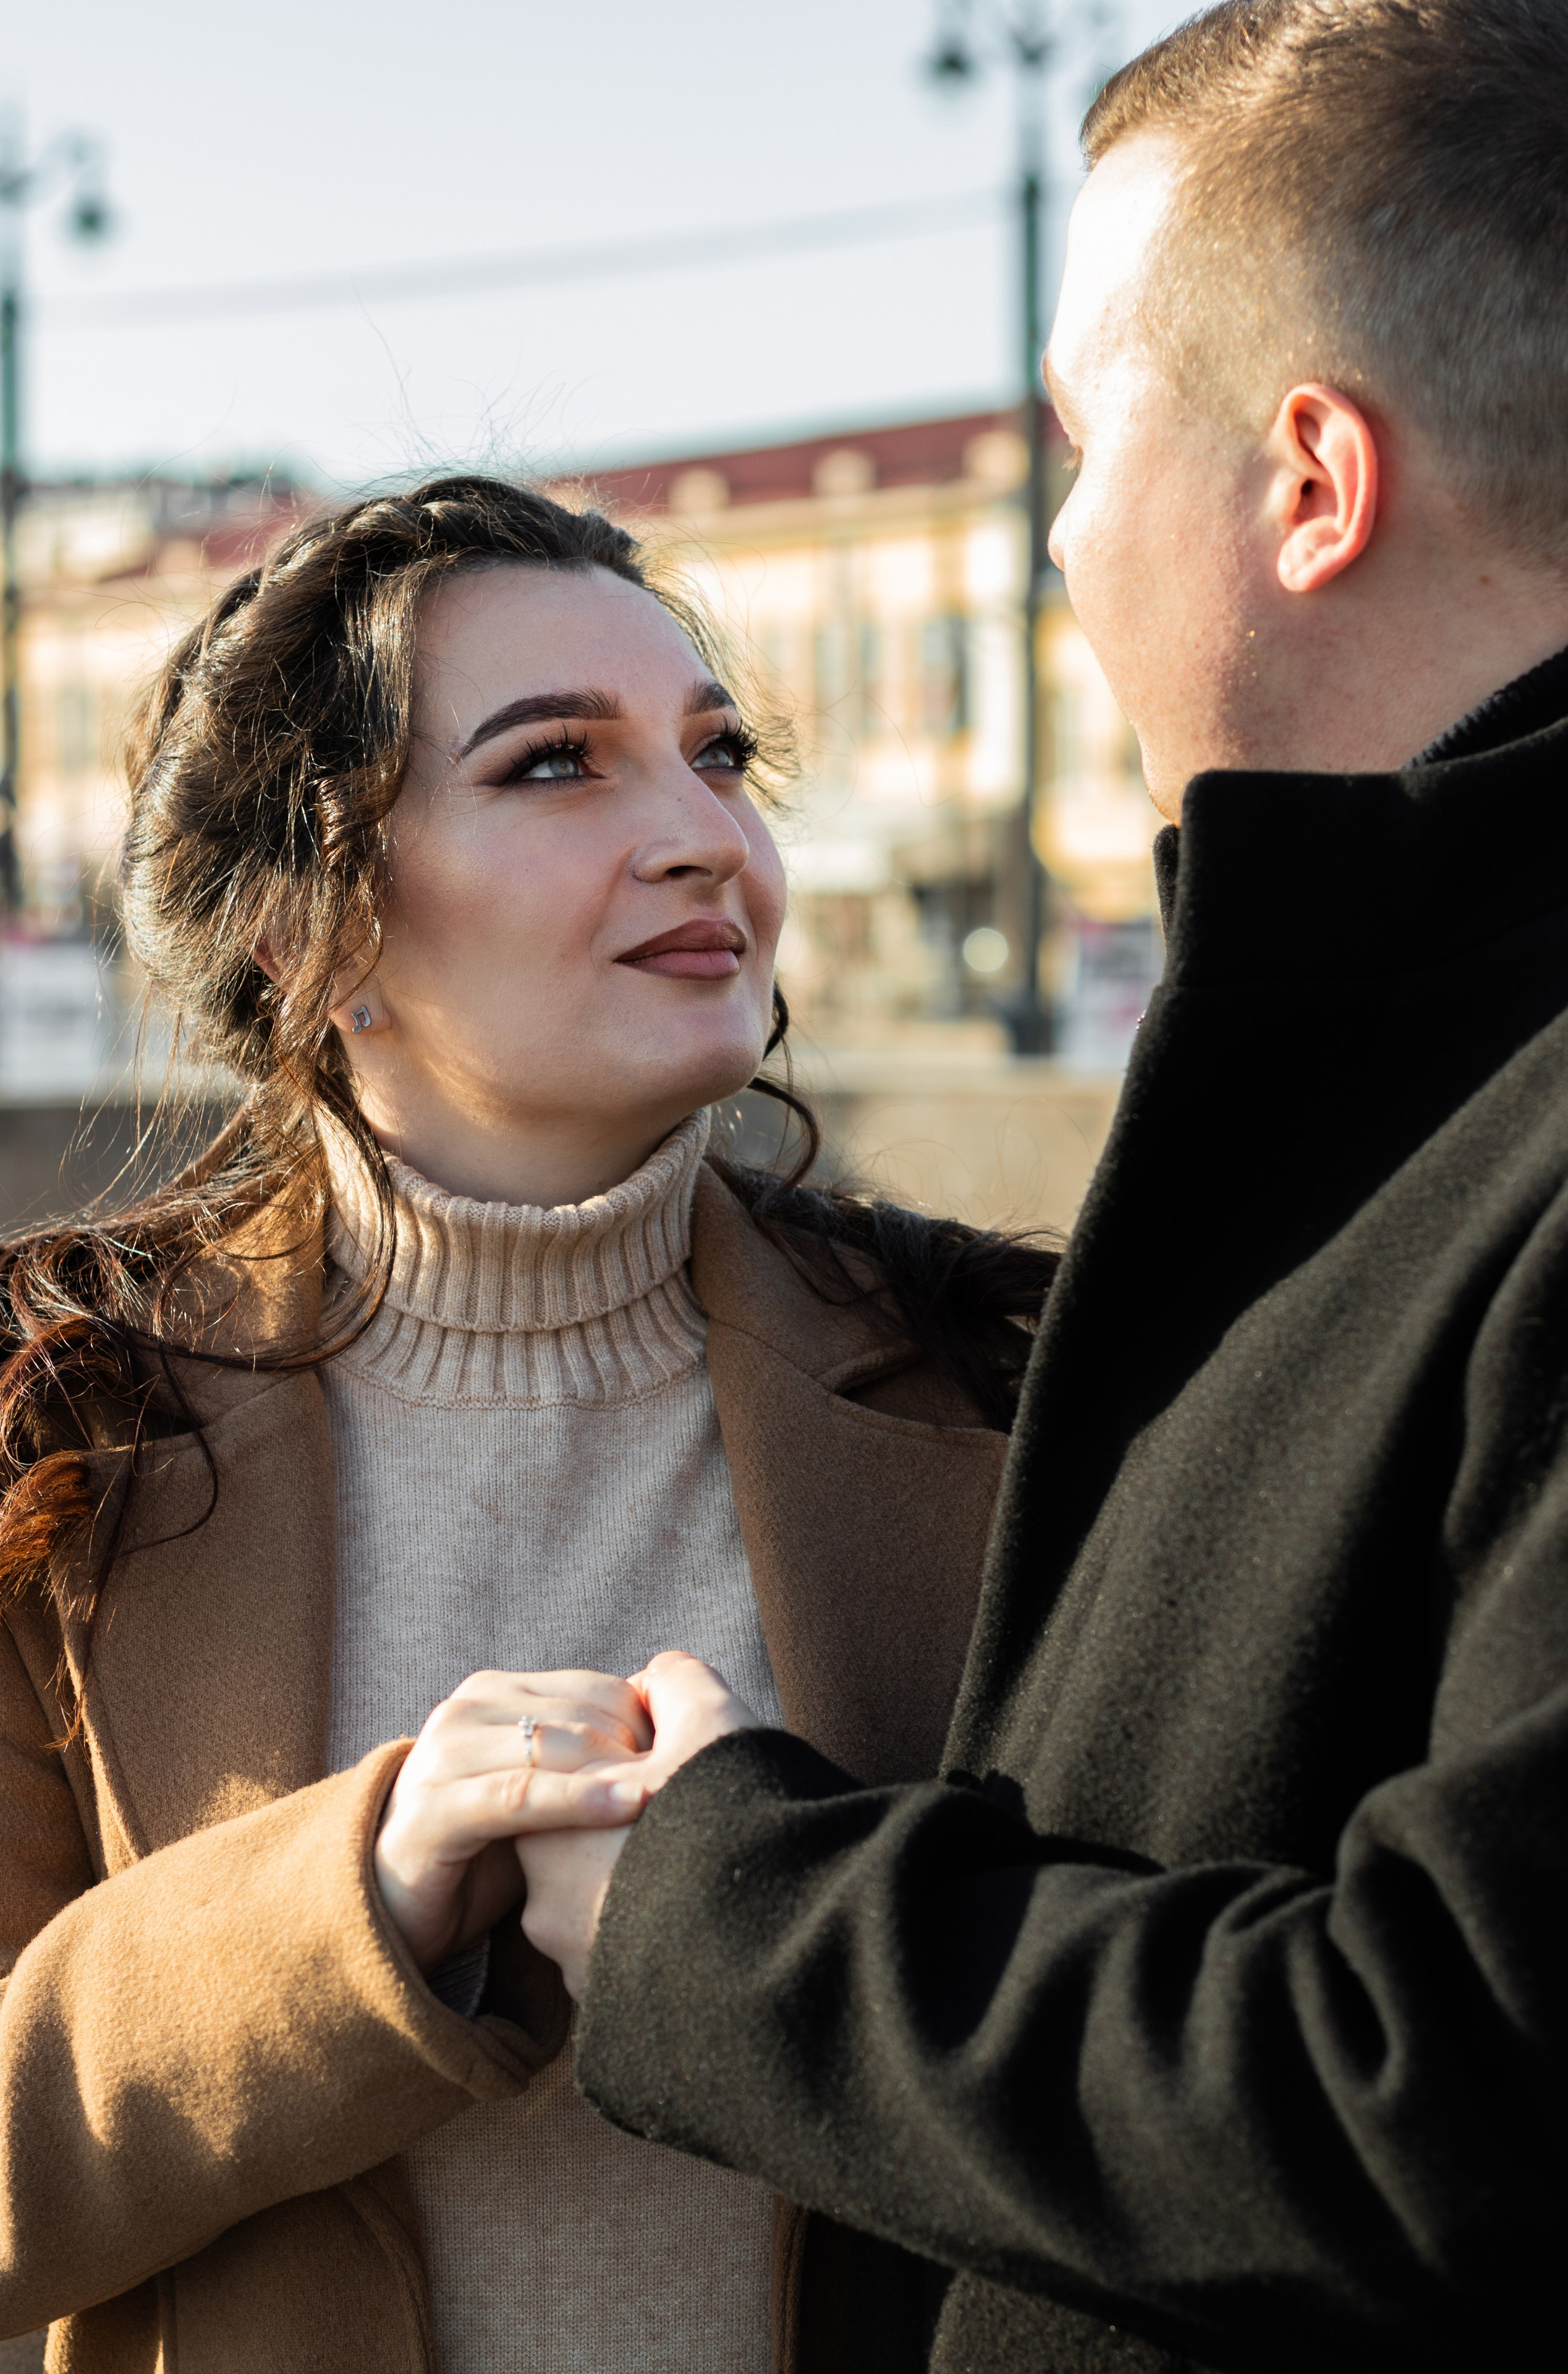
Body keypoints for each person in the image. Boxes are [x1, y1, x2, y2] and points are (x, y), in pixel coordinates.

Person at [517, 5, 1568, 2370]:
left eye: (1084, 443)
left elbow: (1460, 2115)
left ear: (1312, 485)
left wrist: (711, 1914)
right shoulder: (1402, 1072)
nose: (1062, 537)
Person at [0, 478, 1058, 2372]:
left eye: (719, 756)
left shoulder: (1009, 1379)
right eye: (559, 766)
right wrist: (359, 1909)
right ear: (312, 924)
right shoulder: (55, 1420)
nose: (701, 838)